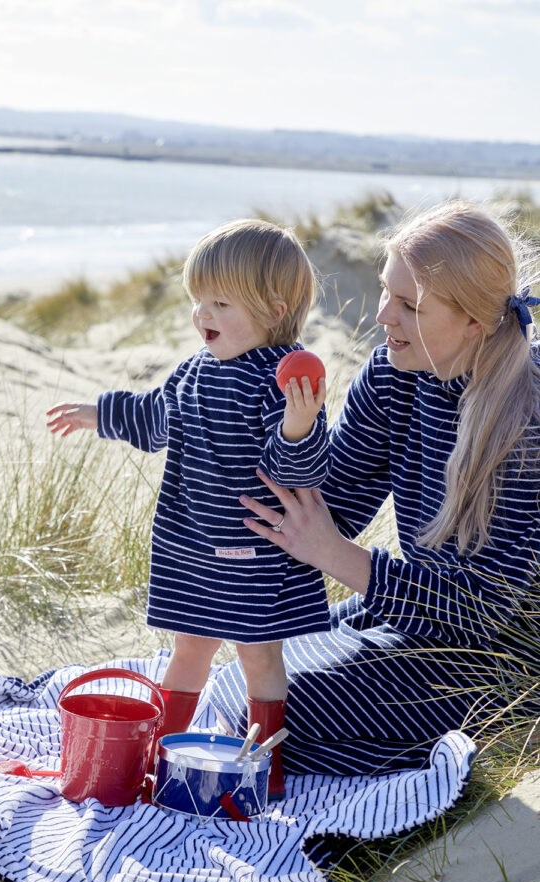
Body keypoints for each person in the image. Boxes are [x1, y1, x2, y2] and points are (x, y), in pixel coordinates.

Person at [210, 199, 540, 778]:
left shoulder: (524, 417)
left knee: (262, 722)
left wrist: (334, 554)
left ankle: (459, 761)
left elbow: (483, 615)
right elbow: (325, 502)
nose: (384, 315)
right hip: (412, 617)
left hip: (503, 659)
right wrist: (279, 440)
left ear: (475, 321)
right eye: (387, 292)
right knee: (238, 677)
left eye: (410, 306)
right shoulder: (394, 372)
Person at [46, 218, 331, 797]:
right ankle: (162, 751)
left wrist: (299, 424)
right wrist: (99, 413)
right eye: (197, 299)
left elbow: (295, 473)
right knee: (190, 648)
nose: (201, 314)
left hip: (256, 550)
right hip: (191, 543)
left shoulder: (282, 380)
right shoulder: (194, 372)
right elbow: (153, 416)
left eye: (220, 302)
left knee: (259, 658)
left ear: (274, 308)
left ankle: (264, 764)